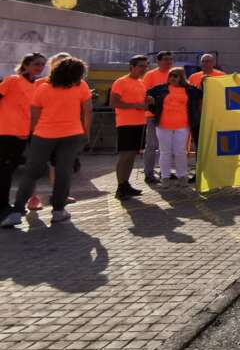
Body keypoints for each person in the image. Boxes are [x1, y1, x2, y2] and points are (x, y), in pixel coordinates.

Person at [2, 57, 92, 228]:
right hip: (72, 134)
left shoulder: (42, 87)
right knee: (63, 172)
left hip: (43, 135)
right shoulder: (81, 86)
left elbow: (34, 114)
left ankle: (17, 211)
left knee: (31, 172)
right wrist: (86, 133)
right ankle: (58, 211)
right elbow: (88, 112)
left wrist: (34, 132)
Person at [0, 53, 47, 217]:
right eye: (36, 64)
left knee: (10, 170)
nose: (40, 67)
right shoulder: (13, 80)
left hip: (24, 134)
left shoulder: (38, 85)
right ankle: (3, 207)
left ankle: (5, 205)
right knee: (4, 171)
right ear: (26, 65)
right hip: (5, 133)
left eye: (42, 64)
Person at [147, 68, 202, 184]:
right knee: (164, 151)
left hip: (183, 125)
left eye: (175, 76)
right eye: (170, 75)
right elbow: (145, 94)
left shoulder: (190, 89)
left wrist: (205, 81)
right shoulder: (160, 88)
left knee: (180, 151)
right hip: (162, 125)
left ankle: (182, 176)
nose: (172, 78)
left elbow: (203, 93)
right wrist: (151, 104)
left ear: (181, 77)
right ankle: (165, 177)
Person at [109, 55, 150, 200]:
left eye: (146, 66)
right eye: (141, 66)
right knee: (125, 156)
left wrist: (147, 101)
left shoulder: (141, 82)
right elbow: (113, 102)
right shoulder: (121, 82)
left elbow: (142, 102)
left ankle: (125, 184)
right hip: (126, 123)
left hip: (140, 123)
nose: (144, 68)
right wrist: (135, 105)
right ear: (132, 66)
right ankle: (120, 187)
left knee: (132, 156)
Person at [142, 51, 174, 184]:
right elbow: (145, 95)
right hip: (154, 116)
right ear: (158, 61)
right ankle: (149, 173)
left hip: (171, 116)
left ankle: (165, 172)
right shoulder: (150, 75)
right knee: (152, 145)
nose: (169, 62)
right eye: (166, 59)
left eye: (171, 59)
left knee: (167, 146)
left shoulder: (175, 74)